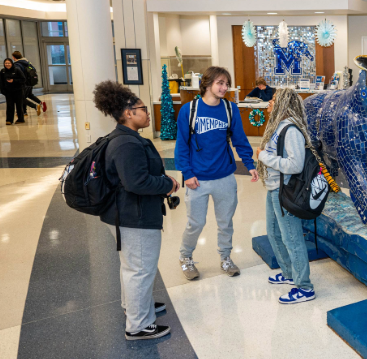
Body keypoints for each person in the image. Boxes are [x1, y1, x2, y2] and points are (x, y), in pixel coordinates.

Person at [93, 80, 180, 340]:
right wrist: (169, 183)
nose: (147, 112)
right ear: (128, 113)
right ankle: (139, 324)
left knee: (132, 266)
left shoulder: (125, 138)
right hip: (134, 216)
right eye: (142, 108)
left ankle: (135, 307)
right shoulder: (127, 144)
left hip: (128, 213)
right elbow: (137, 182)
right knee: (140, 269)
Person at [175, 66, 259, 280]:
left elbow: (240, 139)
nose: (224, 87)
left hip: (224, 177)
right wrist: (187, 173)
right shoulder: (189, 110)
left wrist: (249, 164)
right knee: (196, 223)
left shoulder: (230, 109)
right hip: (198, 179)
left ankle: (225, 257)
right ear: (207, 84)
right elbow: (182, 146)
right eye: (220, 83)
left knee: (225, 222)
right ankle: (185, 257)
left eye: (226, 83)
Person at [254, 88, 316, 304]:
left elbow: (295, 165)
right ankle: (289, 273)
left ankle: (304, 287)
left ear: (283, 103)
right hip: (274, 188)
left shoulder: (291, 130)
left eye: (272, 100)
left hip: (286, 191)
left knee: (291, 238)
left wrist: (264, 158)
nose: (268, 104)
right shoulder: (277, 127)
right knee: (273, 233)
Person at [12, 51, 45, 115]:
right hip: (30, 82)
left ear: (14, 57)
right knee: (27, 95)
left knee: (21, 98)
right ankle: (24, 111)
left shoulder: (17, 64)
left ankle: (34, 106)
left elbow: (18, 74)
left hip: (23, 83)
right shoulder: (27, 62)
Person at [0, 58, 25, 125]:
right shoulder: (3, 71)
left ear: (12, 64)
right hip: (8, 91)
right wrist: (2, 90)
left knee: (19, 105)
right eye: (6, 63)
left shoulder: (17, 70)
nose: (7, 64)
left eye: (9, 63)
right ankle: (9, 120)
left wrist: (14, 81)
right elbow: (1, 81)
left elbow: (23, 79)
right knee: (9, 106)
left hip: (18, 90)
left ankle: (20, 119)